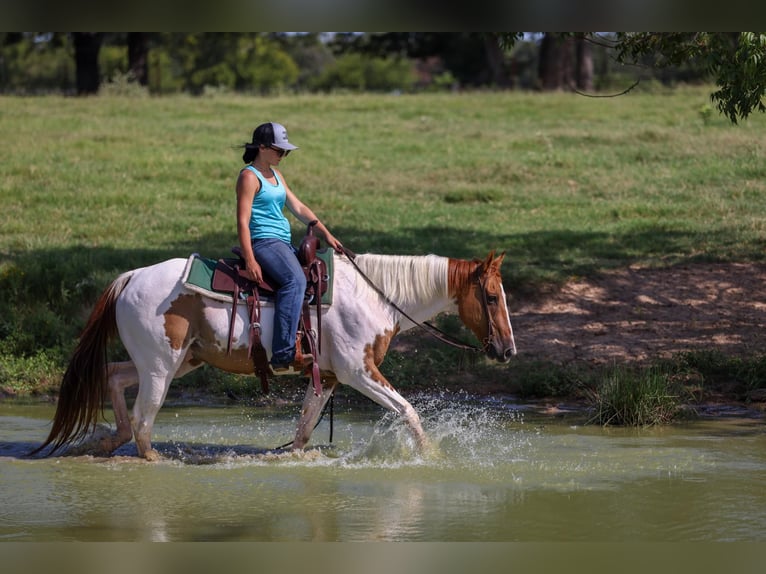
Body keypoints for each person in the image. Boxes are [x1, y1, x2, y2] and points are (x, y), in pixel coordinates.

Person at [236, 122, 343, 374]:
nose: (283, 156)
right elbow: (242, 220)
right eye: (279, 150)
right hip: (264, 241)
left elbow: (299, 208)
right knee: (295, 281)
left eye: (286, 152)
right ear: (262, 148)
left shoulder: (276, 175)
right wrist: (250, 259)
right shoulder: (249, 176)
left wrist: (326, 234)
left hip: (282, 242)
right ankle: (284, 354)